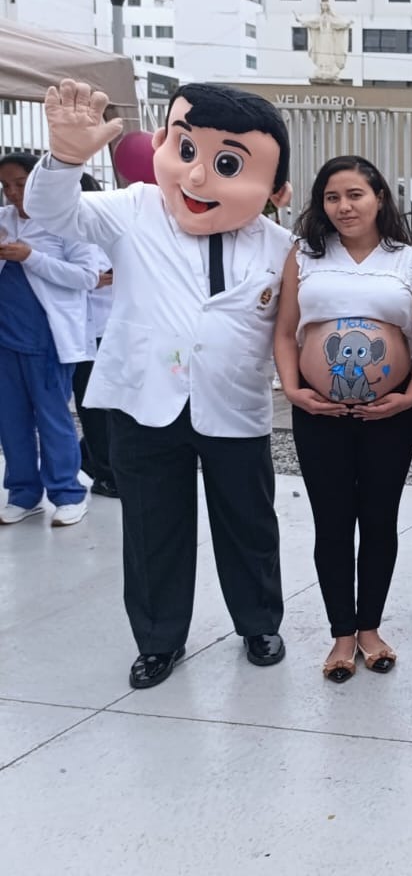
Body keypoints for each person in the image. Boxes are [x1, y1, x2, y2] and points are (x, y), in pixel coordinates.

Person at [26, 80, 295, 690]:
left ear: (274, 191)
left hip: (233, 407)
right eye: (187, 150)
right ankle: (158, 639)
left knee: (248, 522)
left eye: (226, 164)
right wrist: (66, 158)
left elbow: (292, 325)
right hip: (145, 402)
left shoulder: (281, 247)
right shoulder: (134, 209)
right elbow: (52, 214)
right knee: (152, 528)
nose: (199, 178)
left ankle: (258, 623)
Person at [273, 156, 412, 684]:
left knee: (380, 519)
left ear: (379, 196)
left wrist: (410, 394)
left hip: (390, 415)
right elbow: (284, 329)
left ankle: (370, 629)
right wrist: (294, 389)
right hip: (320, 413)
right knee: (333, 522)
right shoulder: (305, 256)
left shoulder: (411, 259)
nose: (344, 206)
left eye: (355, 194)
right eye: (333, 197)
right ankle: (342, 631)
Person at [0, 152, 99, 526]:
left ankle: (68, 492)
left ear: (38, 183)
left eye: (20, 184)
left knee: (53, 417)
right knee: (10, 420)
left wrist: (30, 256)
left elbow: (87, 277)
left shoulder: (66, 223)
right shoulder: (3, 221)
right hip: (5, 338)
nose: (12, 193)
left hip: (47, 340)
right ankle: (23, 493)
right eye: (5, 186)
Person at [72, 176, 118, 499]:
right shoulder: (64, 234)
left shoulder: (110, 234)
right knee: (92, 406)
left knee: (111, 406)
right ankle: (101, 470)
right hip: (83, 333)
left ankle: (96, 462)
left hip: (110, 330)